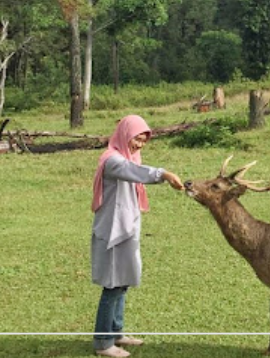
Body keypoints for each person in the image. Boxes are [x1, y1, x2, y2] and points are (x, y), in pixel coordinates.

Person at [91, 114, 184, 358]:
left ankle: (116, 332)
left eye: (143, 141)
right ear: (124, 134)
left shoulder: (128, 157)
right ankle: (103, 343)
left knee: (122, 283)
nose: (139, 145)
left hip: (126, 228)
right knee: (112, 286)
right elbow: (134, 172)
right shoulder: (112, 161)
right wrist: (164, 174)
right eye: (136, 139)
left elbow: (134, 170)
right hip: (112, 231)